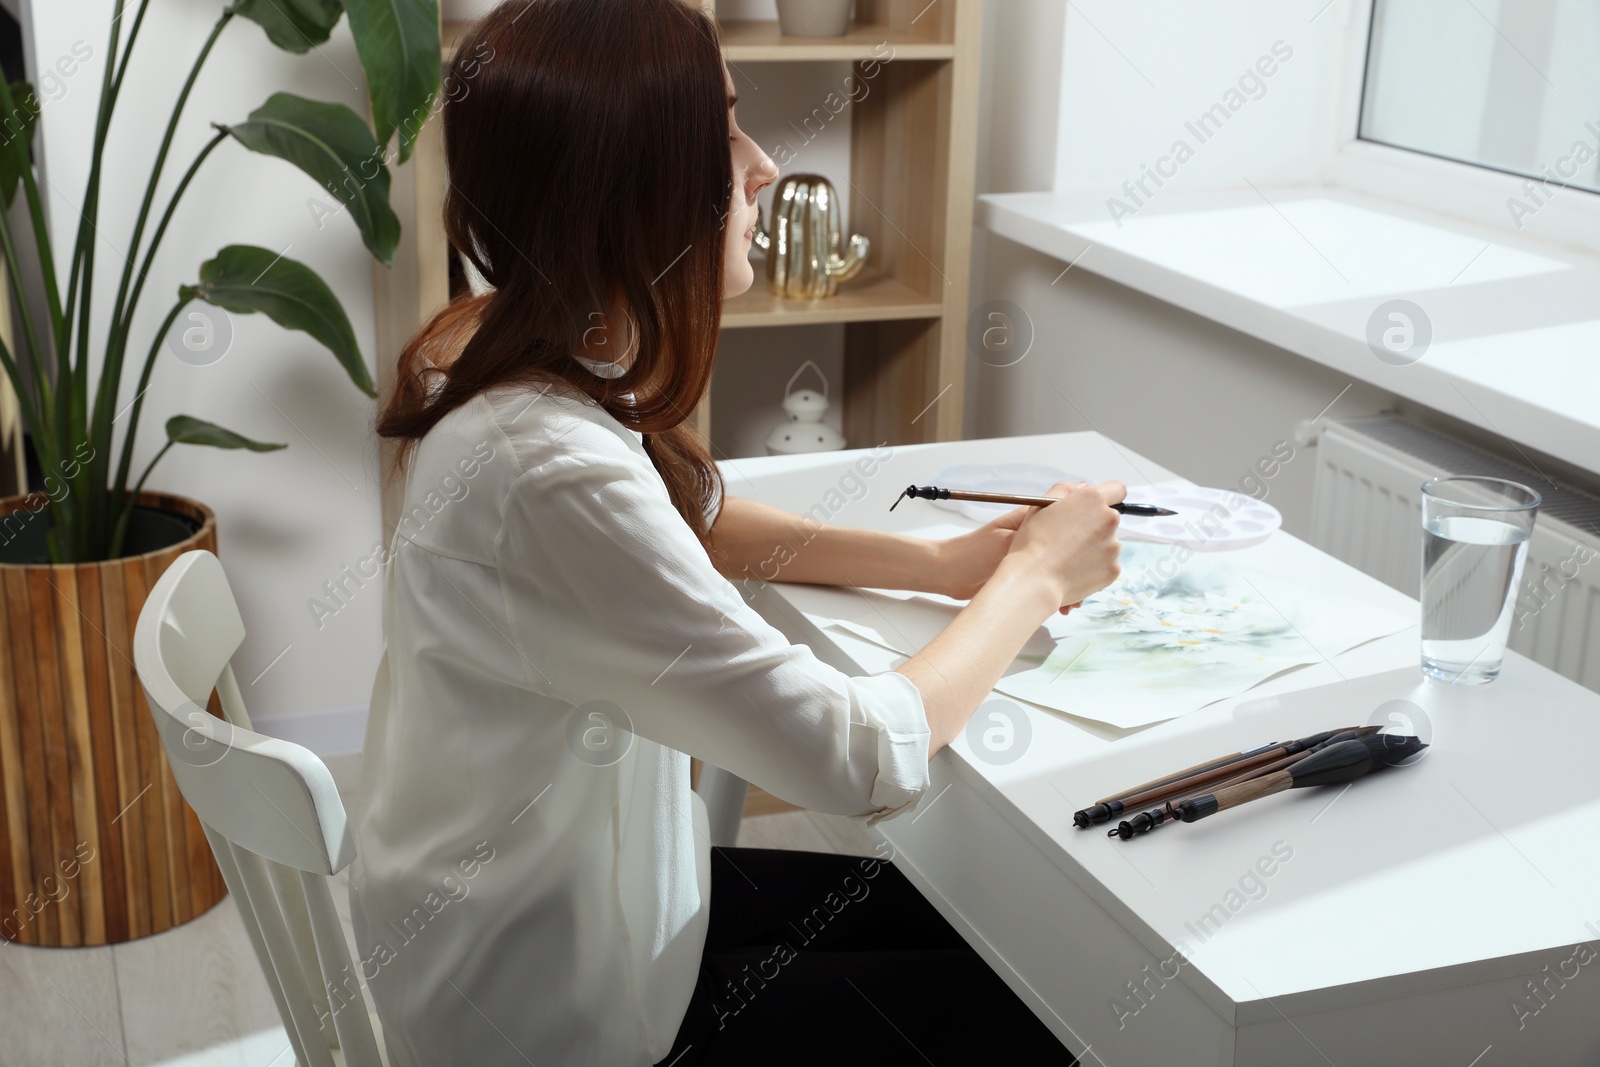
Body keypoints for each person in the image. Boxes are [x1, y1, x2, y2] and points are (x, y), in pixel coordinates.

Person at [353, 1, 1125, 1063]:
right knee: (1045, 1010)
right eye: (723, 133)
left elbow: (692, 519)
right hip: (554, 1015)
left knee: (991, 944)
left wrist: (939, 564)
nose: (762, 168)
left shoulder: (494, 347)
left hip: (543, 918)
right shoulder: (545, 472)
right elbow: (858, 759)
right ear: (626, 183)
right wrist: (1032, 578)